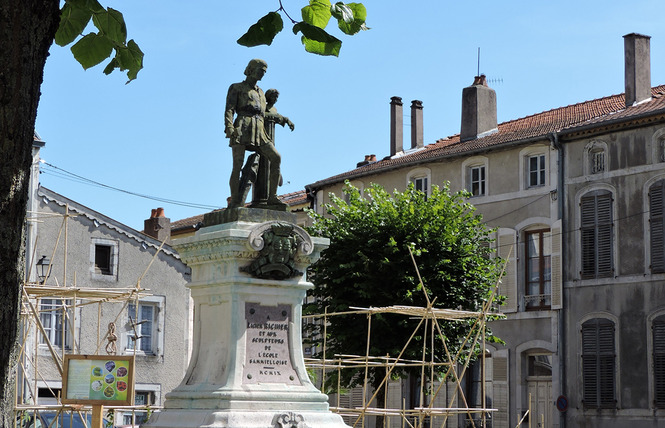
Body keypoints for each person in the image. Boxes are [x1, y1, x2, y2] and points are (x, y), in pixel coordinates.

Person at [224, 59, 285, 209]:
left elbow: (265, 113)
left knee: (276, 157)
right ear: (251, 69)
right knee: (237, 166)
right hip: (242, 126)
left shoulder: (261, 92)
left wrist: (282, 118)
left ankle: (272, 198)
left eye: (264, 71)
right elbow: (229, 109)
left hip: (259, 129)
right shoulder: (236, 87)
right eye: (260, 70)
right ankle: (236, 202)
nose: (263, 74)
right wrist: (230, 128)